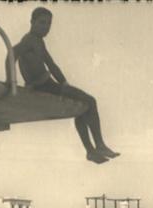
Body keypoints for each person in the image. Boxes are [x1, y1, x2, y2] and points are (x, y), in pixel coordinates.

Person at [13, 7, 119, 164]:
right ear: (32, 22)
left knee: (82, 107)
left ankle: (91, 151)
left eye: (49, 24)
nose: (46, 27)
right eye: (42, 23)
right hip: (43, 86)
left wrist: (64, 83)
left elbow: (52, 65)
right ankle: (100, 145)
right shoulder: (28, 39)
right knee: (90, 101)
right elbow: (11, 54)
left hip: (49, 84)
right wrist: (12, 82)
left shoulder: (39, 42)